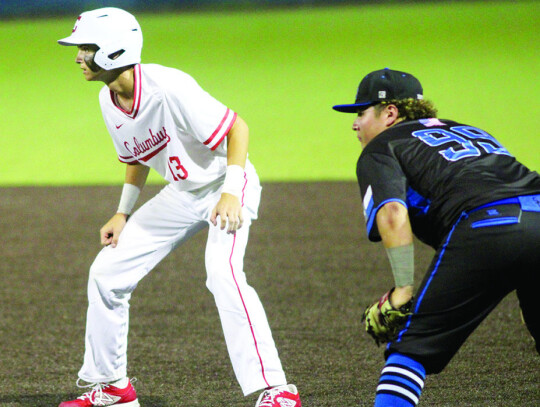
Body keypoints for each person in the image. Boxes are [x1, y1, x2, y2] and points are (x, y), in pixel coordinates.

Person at [57, 7, 301, 407]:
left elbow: (238, 128)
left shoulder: (169, 87)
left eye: (86, 48)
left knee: (223, 274)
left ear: (115, 51)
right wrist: (123, 212)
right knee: (106, 272)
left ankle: (278, 391)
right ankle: (114, 388)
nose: (78, 56)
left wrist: (232, 191)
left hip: (227, 184)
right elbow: (136, 155)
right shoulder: (108, 98)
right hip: (182, 194)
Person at [332, 68, 540, 406]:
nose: (355, 124)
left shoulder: (381, 146)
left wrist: (402, 289)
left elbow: (392, 213)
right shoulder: (471, 131)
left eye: (361, 112)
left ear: (390, 113)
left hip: (488, 227)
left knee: (409, 349)